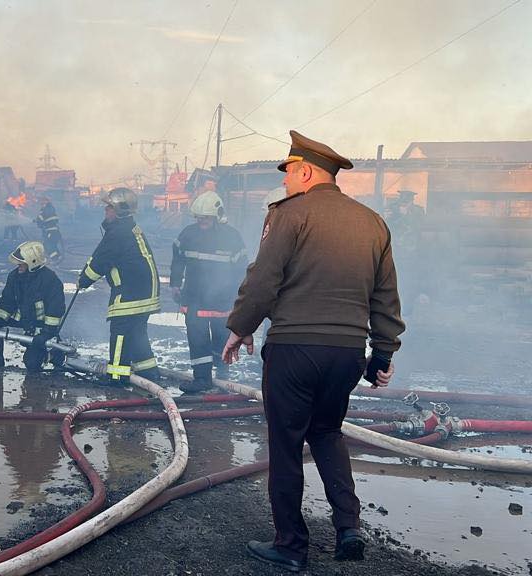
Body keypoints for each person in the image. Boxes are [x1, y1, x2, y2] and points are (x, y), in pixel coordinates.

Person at [222, 130, 405, 572]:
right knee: (326, 432)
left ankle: (290, 546)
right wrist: (382, 354)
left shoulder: (289, 215)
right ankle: (349, 527)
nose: (285, 183)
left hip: (294, 349)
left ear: (304, 171)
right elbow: (386, 296)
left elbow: (264, 278)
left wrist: (240, 328)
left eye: (287, 174)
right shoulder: (371, 222)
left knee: (286, 444)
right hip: (346, 353)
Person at [77, 187, 161, 383]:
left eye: (109, 208)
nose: (105, 211)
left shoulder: (117, 233)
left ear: (120, 210)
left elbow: (99, 261)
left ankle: (117, 376)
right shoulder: (129, 228)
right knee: (137, 331)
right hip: (145, 292)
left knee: (120, 330)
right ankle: (149, 372)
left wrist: (84, 280)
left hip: (130, 292)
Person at [170, 190, 247, 392]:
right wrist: (175, 283)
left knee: (222, 339)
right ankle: (202, 379)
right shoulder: (188, 234)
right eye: (199, 218)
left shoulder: (232, 237)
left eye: (206, 219)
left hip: (223, 301)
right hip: (194, 298)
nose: (202, 222)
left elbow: (242, 269)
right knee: (197, 339)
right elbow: (177, 259)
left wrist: (239, 297)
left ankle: (223, 375)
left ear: (217, 217)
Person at [0, 241, 65, 372]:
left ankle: (54, 354)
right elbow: (6, 302)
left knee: (31, 364)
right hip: (23, 317)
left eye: (21, 262)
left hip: (40, 326)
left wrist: (46, 334)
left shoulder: (50, 280)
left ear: (33, 262)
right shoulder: (14, 276)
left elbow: (55, 311)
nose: (18, 265)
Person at [35, 195, 63, 262]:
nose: (41, 204)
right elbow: (52, 219)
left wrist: (38, 221)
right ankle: (58, 257)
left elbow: (40, 219)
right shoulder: (51, 209)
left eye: (42, 202)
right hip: (54, 231)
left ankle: (55, 259)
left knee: (48, 245)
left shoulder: (45, 210)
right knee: (52, 245)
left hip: (50, 231)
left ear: (45, 202)